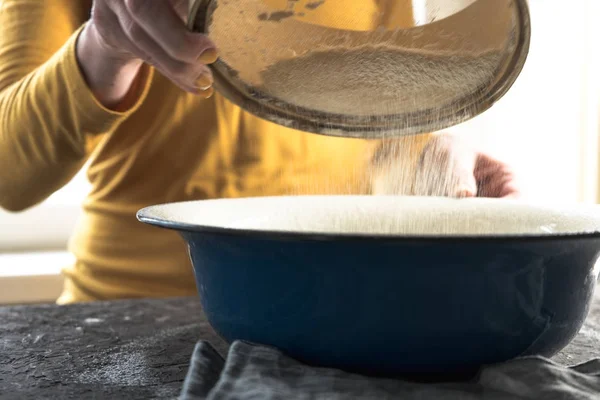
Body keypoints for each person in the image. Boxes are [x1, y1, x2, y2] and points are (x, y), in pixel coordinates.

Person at [0, 0, 519, 304]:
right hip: (131, 309)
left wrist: (425, 157)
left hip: (340, 314)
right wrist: (104, 46)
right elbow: (10, 177)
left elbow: (378, 117)